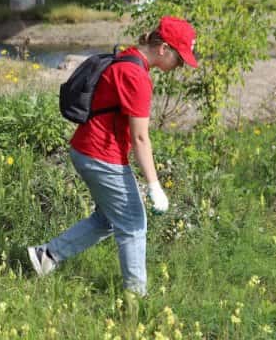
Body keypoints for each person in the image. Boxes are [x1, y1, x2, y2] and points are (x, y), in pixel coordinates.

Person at [27, 16, 198, 296]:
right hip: (100, 156)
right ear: (164, 49)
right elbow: (141, 138)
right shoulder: (136, 76)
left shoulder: (129, 57)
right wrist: (154, 186)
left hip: (87, 150)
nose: (180, 67)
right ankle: (135, 298)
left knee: (107, 220)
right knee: (133, 224)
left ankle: (46, 256)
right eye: (180, 59)